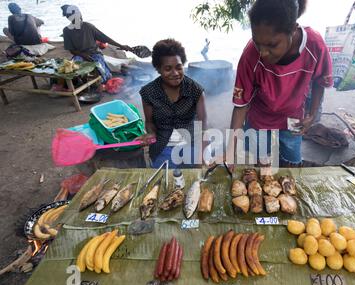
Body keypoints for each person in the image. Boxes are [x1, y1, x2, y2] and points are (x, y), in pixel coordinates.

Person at [223, 0, 332, 168]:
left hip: (293, 121)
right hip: (260, 121)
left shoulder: (315, 45)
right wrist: (231, 149)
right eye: (257, 42)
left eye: (272, 45)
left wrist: (311, 115)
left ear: (293, 30)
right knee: (261, 170)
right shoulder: (250, 56)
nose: (263, 52)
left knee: (291, 167)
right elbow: (241, 105)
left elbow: (320, 81)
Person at [138, 39, 207, 169]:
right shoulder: (148, 92)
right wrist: (151, 133)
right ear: (158, 69)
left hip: (190, 143)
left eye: (178, 67)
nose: (175, 73)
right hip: (162, 146)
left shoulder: (196, 90)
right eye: (168, 69)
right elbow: (149, 122)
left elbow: (202, 125)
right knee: (164, 183)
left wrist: (200, 155)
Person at [61, 5, 132, 83]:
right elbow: (71, 50)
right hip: (79, 55)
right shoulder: (66, 31)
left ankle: (105, 76)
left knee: (101, 71)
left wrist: (121, 46)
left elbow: (105, 38)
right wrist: (84, 55)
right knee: (74, 72)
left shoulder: (88, 26)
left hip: (95, 53)